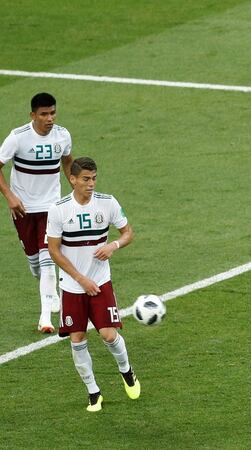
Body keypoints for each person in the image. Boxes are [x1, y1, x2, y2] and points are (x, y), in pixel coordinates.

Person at [46, 157, 140, 412]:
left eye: (94, 178)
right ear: (73, 179)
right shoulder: (59, 210)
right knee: (77, 339)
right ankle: (93, 392)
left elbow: (128, 232)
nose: (91, 184)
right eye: (86, 179)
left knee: (108, 334)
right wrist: (80, 279)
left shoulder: (107, 203)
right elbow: (54, 251)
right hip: (73, 286)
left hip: (100, 282)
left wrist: (113, 245)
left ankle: (127, 370)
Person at [0, 92, 74, 333]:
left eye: (52, 113)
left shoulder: (62, 135)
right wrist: (10, 196)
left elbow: (67, 161)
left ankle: (45, 318)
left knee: (48, 258)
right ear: (33, 115)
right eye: (44, 114)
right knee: (35, 264)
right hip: (23, 209)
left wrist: (76, 191)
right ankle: (50, 293)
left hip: (51, 207)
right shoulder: (18, 138)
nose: (49, 118)